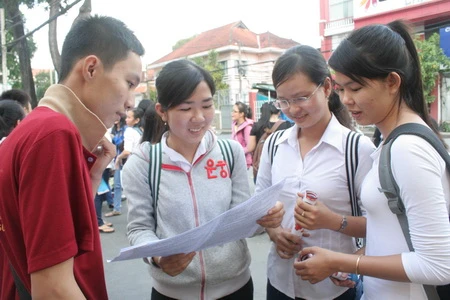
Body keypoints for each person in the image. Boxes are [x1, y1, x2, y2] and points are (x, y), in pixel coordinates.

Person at [294, 20, 450, 299]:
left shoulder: (408, 149)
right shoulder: (391, 141)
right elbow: (396, 234)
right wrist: (358, 257)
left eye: (355, 88)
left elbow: (438, 265)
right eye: (340, 89)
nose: (345, 100)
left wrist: (341, 260)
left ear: (392, 81)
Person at [0, 15, 144, 299]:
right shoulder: (54, 133)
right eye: (129, 83)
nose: (131, 102)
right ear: (91, 68)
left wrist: (89, 178)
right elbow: (52, 288)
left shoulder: (34, 129)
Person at [123, 59, 284, 300]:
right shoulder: (144, 163)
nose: (198, 118)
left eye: (207, 105)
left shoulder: (230, 153)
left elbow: (242, 220)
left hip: (236, 289)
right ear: (162, 112)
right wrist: (159, 257)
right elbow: (139, 228)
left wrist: (265, 218)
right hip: (171, 293)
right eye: (186, 109)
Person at [255, 45, 375, 300]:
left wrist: (331, 220)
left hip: (333, 288)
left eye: (301, 98)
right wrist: (275, 233)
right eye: (284, 101)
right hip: (280, 281)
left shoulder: (357, 149)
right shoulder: (275, 145)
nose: (293, 109)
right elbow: (260, 203)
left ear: (328, 88)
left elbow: (380, 227)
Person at [106, 106, 144, 217]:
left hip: (129, 163)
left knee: (130, 192)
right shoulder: (140, 131)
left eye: (129, 117)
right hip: (138, 164)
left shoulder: (129, 131)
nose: (126, 119)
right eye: (126, 117)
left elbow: (127, 151)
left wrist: (118, 158)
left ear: (136, 120)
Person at [248, 102, 292, 181]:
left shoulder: (257, 126)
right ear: (278, 112)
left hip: (261, 166)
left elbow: (250, 147)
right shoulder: (287, 125)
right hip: (281, 165)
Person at [232, 101, 254, 169]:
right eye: (232, 111)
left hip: (244, 162)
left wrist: (236, 152)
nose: (232, 114)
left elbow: (250, 148)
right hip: (235, 161)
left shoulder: (247, 128)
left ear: (241, 114)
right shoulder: (234, 124)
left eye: (235, 112)